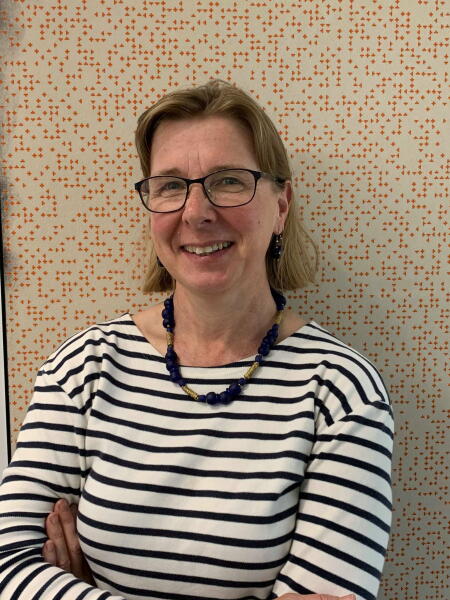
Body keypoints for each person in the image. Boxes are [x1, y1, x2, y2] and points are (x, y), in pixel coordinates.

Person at [0, 80, 393, 600]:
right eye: (168, 185)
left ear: (281, 205)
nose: (196, 212)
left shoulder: (342, 392)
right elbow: (9, 561)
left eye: (228, 181)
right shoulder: (84, 367)